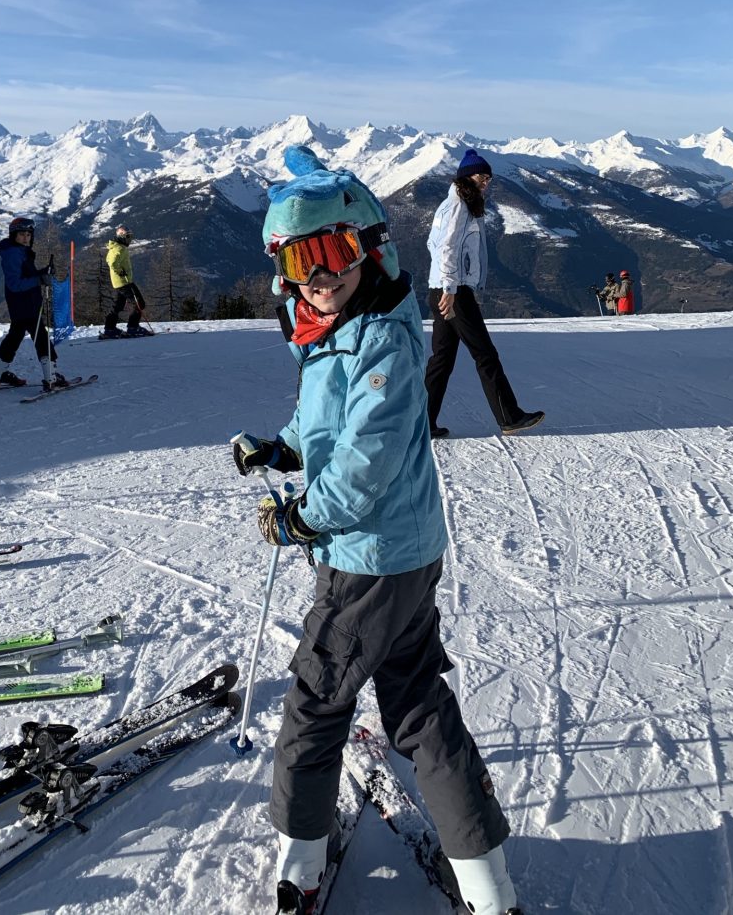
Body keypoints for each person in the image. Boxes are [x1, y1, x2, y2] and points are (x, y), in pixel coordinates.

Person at [232, 145, 520, 915]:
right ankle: (489, 885)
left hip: (367, 562)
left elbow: (363, 465)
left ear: (368, 247)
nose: (317, 275)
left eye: (331, 251)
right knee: (418, 703)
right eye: (300, 258)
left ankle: (299, 861)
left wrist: (299, 516)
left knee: (317, 705)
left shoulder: (384, 342)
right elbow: (324, 422)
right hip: (405, 556)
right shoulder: (338, 327)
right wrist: (282, 446)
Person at [424, 149, 544, 437]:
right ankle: (509, 417)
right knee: (484, 354)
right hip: (452, 292)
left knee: (441, 360)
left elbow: (433, 245)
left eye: (489, 177)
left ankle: (421, 424)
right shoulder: (458, 207)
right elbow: (447, 248)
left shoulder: (451, 204)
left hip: (442, 287)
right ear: (467, 177)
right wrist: (452, 286)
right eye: (482, 176)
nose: (486, 182)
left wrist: (446, 283)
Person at [0, 216, 67, 390]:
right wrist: (39, 279)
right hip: (25, 304)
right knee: (41, 337)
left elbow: (27, 275)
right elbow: (15, 284)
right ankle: (51, 377)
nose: (25, 238)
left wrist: (42, 273)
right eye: (21, 235)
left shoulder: (19, 251)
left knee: (14, 337)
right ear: (14, 236)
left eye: (28, 234)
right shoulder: (13, 254)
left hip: (22, 304)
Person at [102, 226, 151, 338]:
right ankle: (133, 327)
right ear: (121, 236)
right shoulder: (119, 249)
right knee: (139, 304)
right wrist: (120, 271)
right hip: (124, 282)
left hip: (119, 283)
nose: (130, 239)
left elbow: (109, 260)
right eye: (128, 237)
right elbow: (112, 262)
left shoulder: (117, 247)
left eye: (130, 237)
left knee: (117, 305)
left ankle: (110, 329)